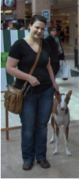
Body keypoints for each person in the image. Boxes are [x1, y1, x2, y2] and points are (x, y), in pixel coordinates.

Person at [6, 15, 59, 171]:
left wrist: (54, 82)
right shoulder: (19, 45)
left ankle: (41, 156)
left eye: (42, 28)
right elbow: (10, 68)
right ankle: (28, 158)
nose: (39, 31)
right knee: (28, 127)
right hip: (27, 92)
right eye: (37, 27)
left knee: (42, 125)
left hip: (46, 91)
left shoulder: (45, 44)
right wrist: (29, 78)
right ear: (29, 26)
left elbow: (48, 65)